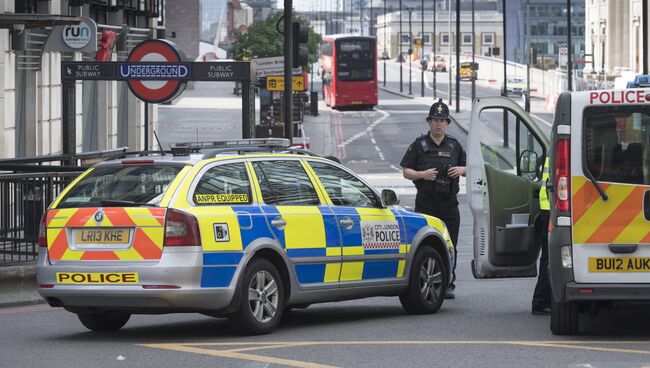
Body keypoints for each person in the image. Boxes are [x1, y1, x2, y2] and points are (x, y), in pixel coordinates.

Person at [400, 98, 466, 300]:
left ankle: (447, 284)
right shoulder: (419, 145)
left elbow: (470, 167)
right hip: (426, 203)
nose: (438, 123)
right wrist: (422, 175)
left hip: (449, 204)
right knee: (426, 245)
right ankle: (423, 281)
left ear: (447, 123)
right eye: (435, 119)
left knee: (450, 245)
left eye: (442, 120)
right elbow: (406, 171)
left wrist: (462, 169)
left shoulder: (455, 146)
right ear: (429, 122)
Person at [532, 157, 551, 315]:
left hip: (548, 209)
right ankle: (541, 301)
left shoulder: (551, 154)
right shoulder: (560, 153)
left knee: (548, 258)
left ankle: (542, 300)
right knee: (549, 258)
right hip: (553, 210)